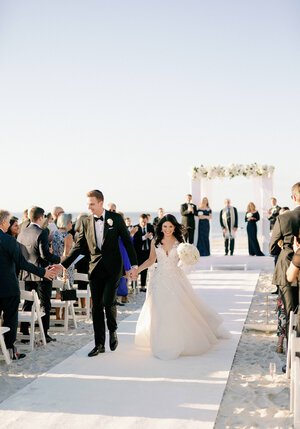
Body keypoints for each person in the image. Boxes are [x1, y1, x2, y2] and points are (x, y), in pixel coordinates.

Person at [135, 214, 230, 360]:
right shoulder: (155, 241)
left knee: (175, 308)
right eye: (165, 226)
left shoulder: (180, 242)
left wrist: (190, 259)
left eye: (171, 226)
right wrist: (137, 270)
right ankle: (161, 341)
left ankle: (176, 341)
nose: (167, 229)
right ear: (161, 227)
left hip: (175, 279)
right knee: (159, 310)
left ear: (174, 227)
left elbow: (186, 260)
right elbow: (150, 260)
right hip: (159, 279)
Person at [58, 189, 138, 357]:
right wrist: (63, 265)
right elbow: (79, 247)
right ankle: (99, 344)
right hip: (94, 269)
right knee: (96, 307)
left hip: (114, 268)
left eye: (92, 204)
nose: (90, 208)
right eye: (88, 205)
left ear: (101, 203)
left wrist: (134, 265)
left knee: (109, 302)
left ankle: (113, 330)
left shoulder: (115, 219)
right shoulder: (85, 221)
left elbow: (126, 242)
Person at [0, 210, 55, 360]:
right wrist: (42, 272)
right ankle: (10, 350)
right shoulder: (8, 240)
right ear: (3, 222)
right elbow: (22, 263)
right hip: (8, 288)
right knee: (10, 318)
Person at [17, 206, 61, 343]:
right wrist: (58, 259)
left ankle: (24, 330)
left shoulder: (22, 232)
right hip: (43, 273)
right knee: (44, 304)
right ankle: (44, 333)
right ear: (41, 217)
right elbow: (44, 254)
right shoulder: (41, 232)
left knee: (28, 302)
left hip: (26, 272)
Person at [270, 182, 300, 344]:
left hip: (287, 267)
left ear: (294, 197)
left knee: (290, 314)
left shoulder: (284, 218)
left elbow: (272, 248)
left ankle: (292, 358)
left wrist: (284, 244)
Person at [133, 214, 155, 292]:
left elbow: (154, 238)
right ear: (139, 220)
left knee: (145, 269)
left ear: (147, 220)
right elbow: (134, 240)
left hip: (147, 251)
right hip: (138, 252)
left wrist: (150, 237)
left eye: (145, 222)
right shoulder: (135, 227)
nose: (143, 223)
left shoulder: (150, 227)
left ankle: (143, 286)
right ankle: (134, 286)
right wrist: (144, 237)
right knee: (137, 268)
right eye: (142, 222)